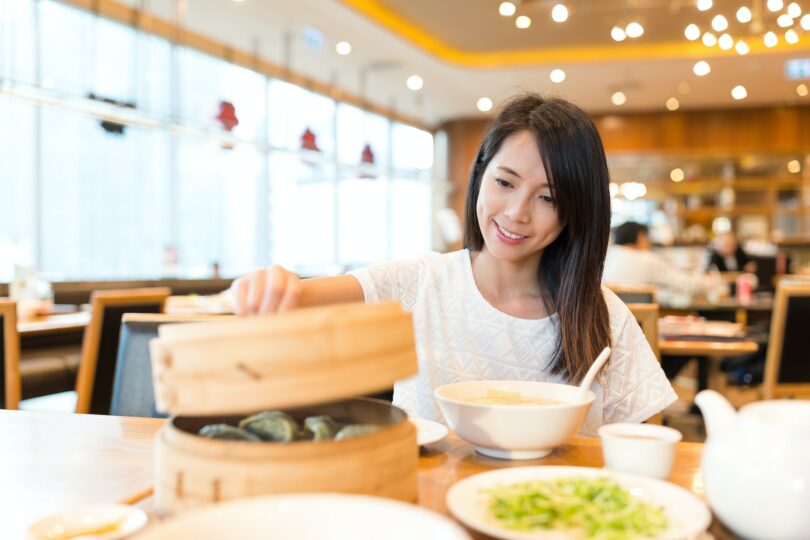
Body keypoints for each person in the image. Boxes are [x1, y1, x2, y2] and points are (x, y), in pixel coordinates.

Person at [232, 95, 676, 436]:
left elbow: (645, 446)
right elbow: (301, 296)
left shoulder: (604, 315)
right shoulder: (418, 283)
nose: (517, 212)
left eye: (548, 198)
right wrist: (272, 286)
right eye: (505, 182)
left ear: (576, 212)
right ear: (480, 175)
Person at [603, 222, 725, 301]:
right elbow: (685, 284)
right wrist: (712, 282)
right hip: (642, 325)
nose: (649, 241)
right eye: (647, 237)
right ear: (640, 237)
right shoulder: (645, 258)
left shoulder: (606, 257)